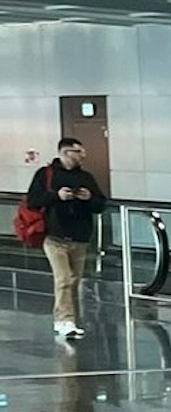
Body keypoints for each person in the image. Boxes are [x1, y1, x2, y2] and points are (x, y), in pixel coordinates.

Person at [25, 137, 104, 341]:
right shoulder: (45, 175)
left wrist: (89, 198)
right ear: (65, 153)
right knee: (64, 279)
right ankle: (64, 320)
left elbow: (101, 204)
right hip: (54, 236)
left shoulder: (86, 177)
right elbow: (33, 201)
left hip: (80, 236)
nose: (83, 155)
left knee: (74, 281)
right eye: (79, 152)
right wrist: (56, 196)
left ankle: (70, 320)